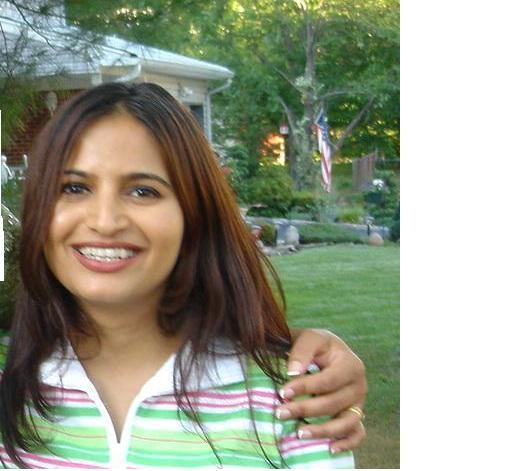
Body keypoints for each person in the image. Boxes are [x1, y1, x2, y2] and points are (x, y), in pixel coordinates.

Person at [0, 82, 366, 468]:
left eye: (143, 191)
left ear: (195, 214)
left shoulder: (290, 399)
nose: (105, 222)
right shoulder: (11, 389)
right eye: (74, 187)